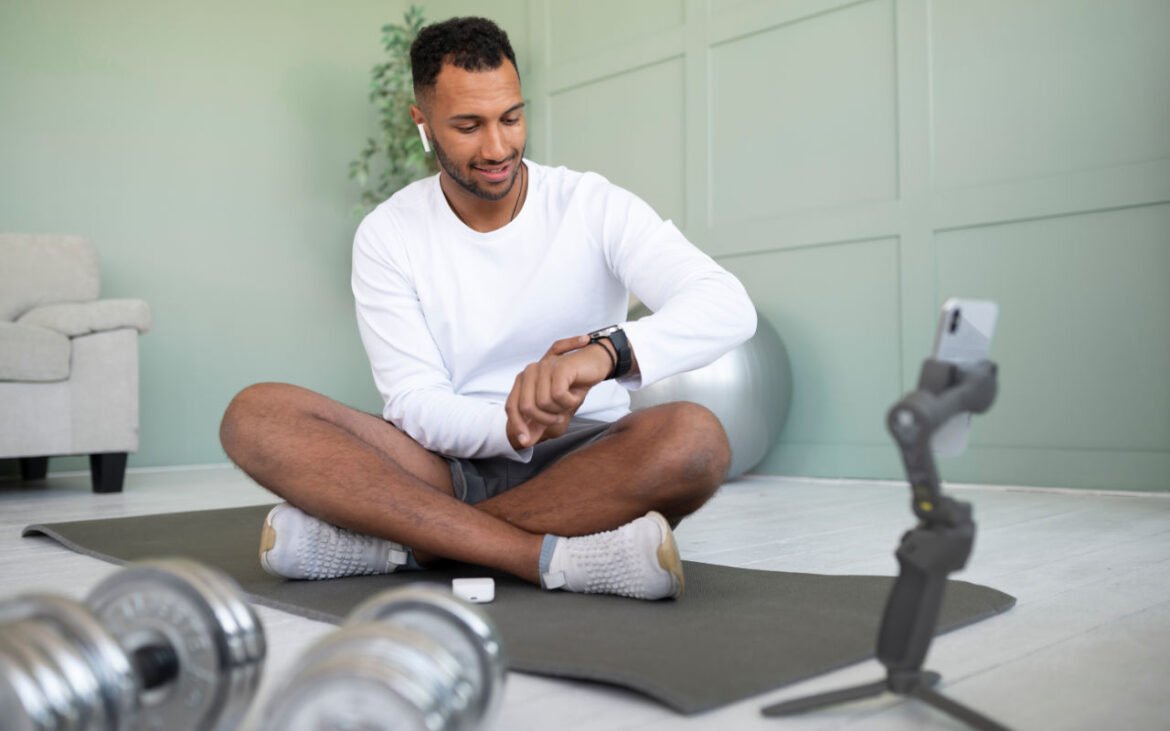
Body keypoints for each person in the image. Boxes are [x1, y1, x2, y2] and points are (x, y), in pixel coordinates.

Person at [219, 16, 756, 601]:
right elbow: (415, 400)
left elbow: (727, 304)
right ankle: (542, 556)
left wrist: (607, 353)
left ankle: (413, 545)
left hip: (583, 456)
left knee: (696, 440)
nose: (498, 147)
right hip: (441, 463)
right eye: (469, 126)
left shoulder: (591, 204)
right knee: (256, 415)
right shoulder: (388, 233)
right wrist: (512, 425)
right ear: (422, 123)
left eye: (512, 118)